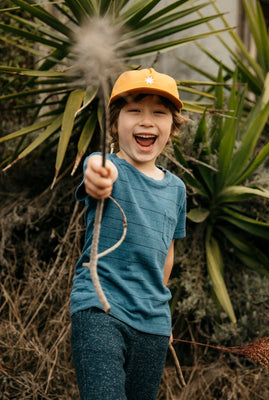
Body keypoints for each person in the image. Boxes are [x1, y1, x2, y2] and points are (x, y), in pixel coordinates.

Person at [70, 68, 187, 400]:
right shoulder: (108, 166)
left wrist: (160, 309)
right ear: (114, 123)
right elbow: (95, 171)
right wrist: (98, 177)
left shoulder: (177, 190)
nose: (146, 121)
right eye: (134, 110)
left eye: (159, 113)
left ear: (172, 126)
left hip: (153, 324)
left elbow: (167, 253)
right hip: (99, 311)